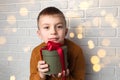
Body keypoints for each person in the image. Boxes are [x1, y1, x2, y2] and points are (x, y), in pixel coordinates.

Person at [30, 6, 86, 80]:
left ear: (65, 32)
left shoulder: (76, 51)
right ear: (39, 34)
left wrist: (65, 76)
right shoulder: (36, 52)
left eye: (59, 27)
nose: (53, 32)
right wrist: (41, 75)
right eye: (47, 27)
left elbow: (80, 78)